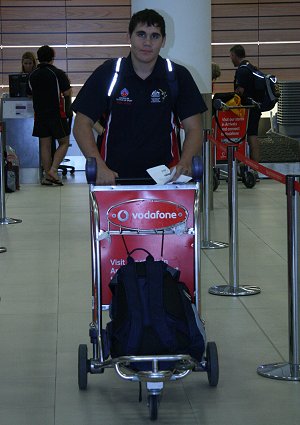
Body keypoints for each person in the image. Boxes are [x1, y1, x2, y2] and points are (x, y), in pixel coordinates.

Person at [72, 8, 207, 185]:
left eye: (155, 36)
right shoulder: (109, 72)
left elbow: (195, 128)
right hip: (113, 180)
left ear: (164, 41)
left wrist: (185, 162)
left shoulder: (176, 76)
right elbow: (81, 124)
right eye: (141, 34)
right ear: (128, 37)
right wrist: (99, 167)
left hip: (166, 181)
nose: (147, 42)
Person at [27, 45, 72, 186]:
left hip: (40, 115)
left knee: (44, 145)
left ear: (38, 58)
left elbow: (29, 94)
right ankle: (53, 170)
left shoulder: (32, 75)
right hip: (56, 114)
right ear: (52, 58)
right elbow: (67, 92)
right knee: (64, 142)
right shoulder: (57, 73)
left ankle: (47, 177)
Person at [230, 44, 261, 163]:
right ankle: (255, 168)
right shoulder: (251, 67)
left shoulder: (242, 70)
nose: (231, 59)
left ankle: (254, 168)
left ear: (234, 55)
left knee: (251, 137)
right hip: (255, 106)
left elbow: (240, 91)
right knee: (253, 135)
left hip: (248, 109)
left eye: (231, 56)